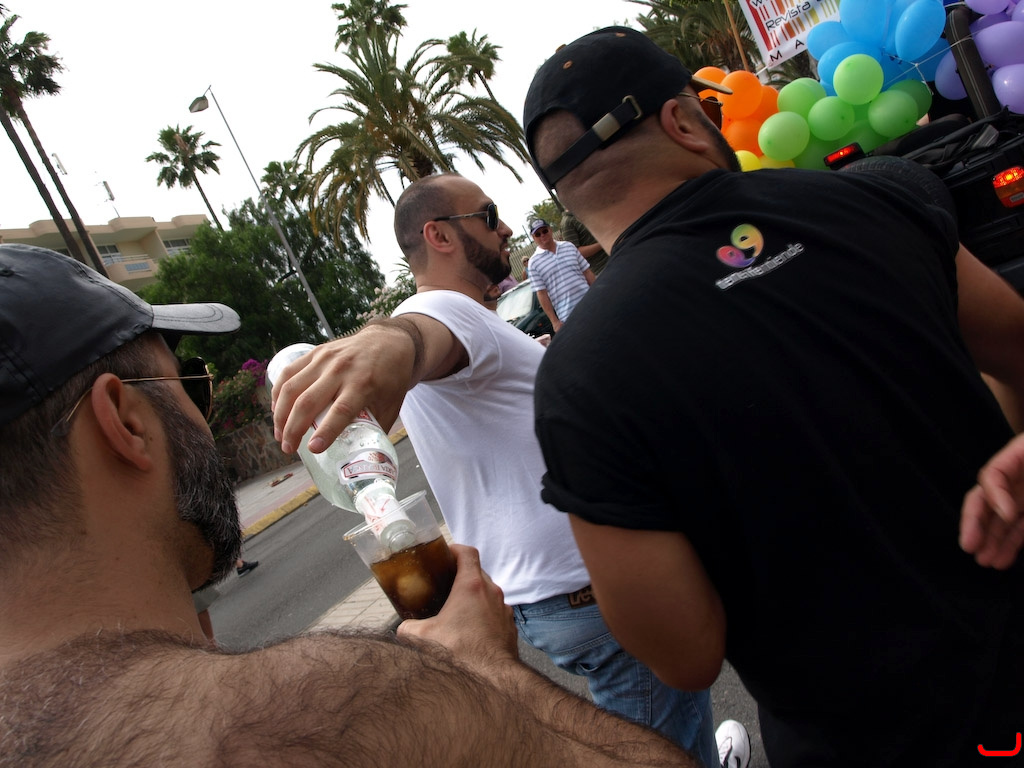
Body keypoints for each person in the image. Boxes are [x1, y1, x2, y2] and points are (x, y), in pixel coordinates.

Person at [521, 26, 1024, 768]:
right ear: (681, 120)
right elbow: (1017, 351)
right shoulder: (882, 194)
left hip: (866, 745)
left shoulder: (580, 377)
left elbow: (686, 655)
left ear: (565, 191)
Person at [0, 243, 701, 768]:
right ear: (124, 422)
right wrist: (483, 675)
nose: (202, 416)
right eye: (189, 382)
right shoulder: (318, 714)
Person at [270, 174, 719, 767]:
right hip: (585, 589)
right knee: (663, 752)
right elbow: (417, 334)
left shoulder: (473, 319)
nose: (506, 228)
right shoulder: (441, 307)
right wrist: (385, 342)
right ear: (439, 235)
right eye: (487, 215)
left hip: (543, 594)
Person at [527, 217, 596, 333]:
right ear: (533, 238)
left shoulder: (569, 246)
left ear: (550, 230)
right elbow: (542, 294)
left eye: (544, 231)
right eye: (538, 234)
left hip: (591, 302)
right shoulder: (533, 263)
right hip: (568, 316)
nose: (542, 235)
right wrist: (554, 321)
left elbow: (587, 272)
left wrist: (598, 294)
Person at [561, 208, 609, 275]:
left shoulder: (585, 212)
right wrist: (602, 243)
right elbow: (576, 252)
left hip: (615, 255)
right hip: (602, 268)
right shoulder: (567, 223)